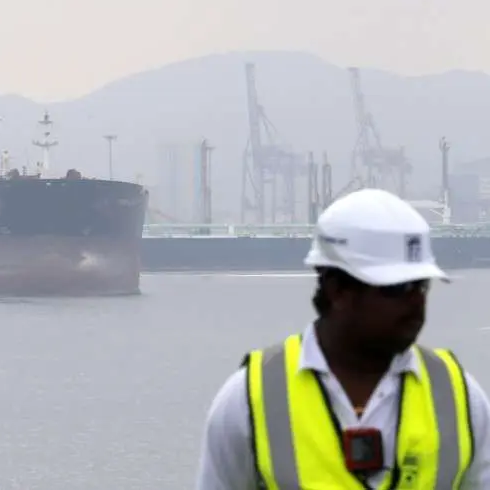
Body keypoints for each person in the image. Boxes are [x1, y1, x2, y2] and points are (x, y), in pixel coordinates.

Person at [195, 188, 490, 489]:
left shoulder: (461, 398)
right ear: (338, 290)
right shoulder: (250, 400)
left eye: (422, 286)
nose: (416, 302)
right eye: (398, 288)